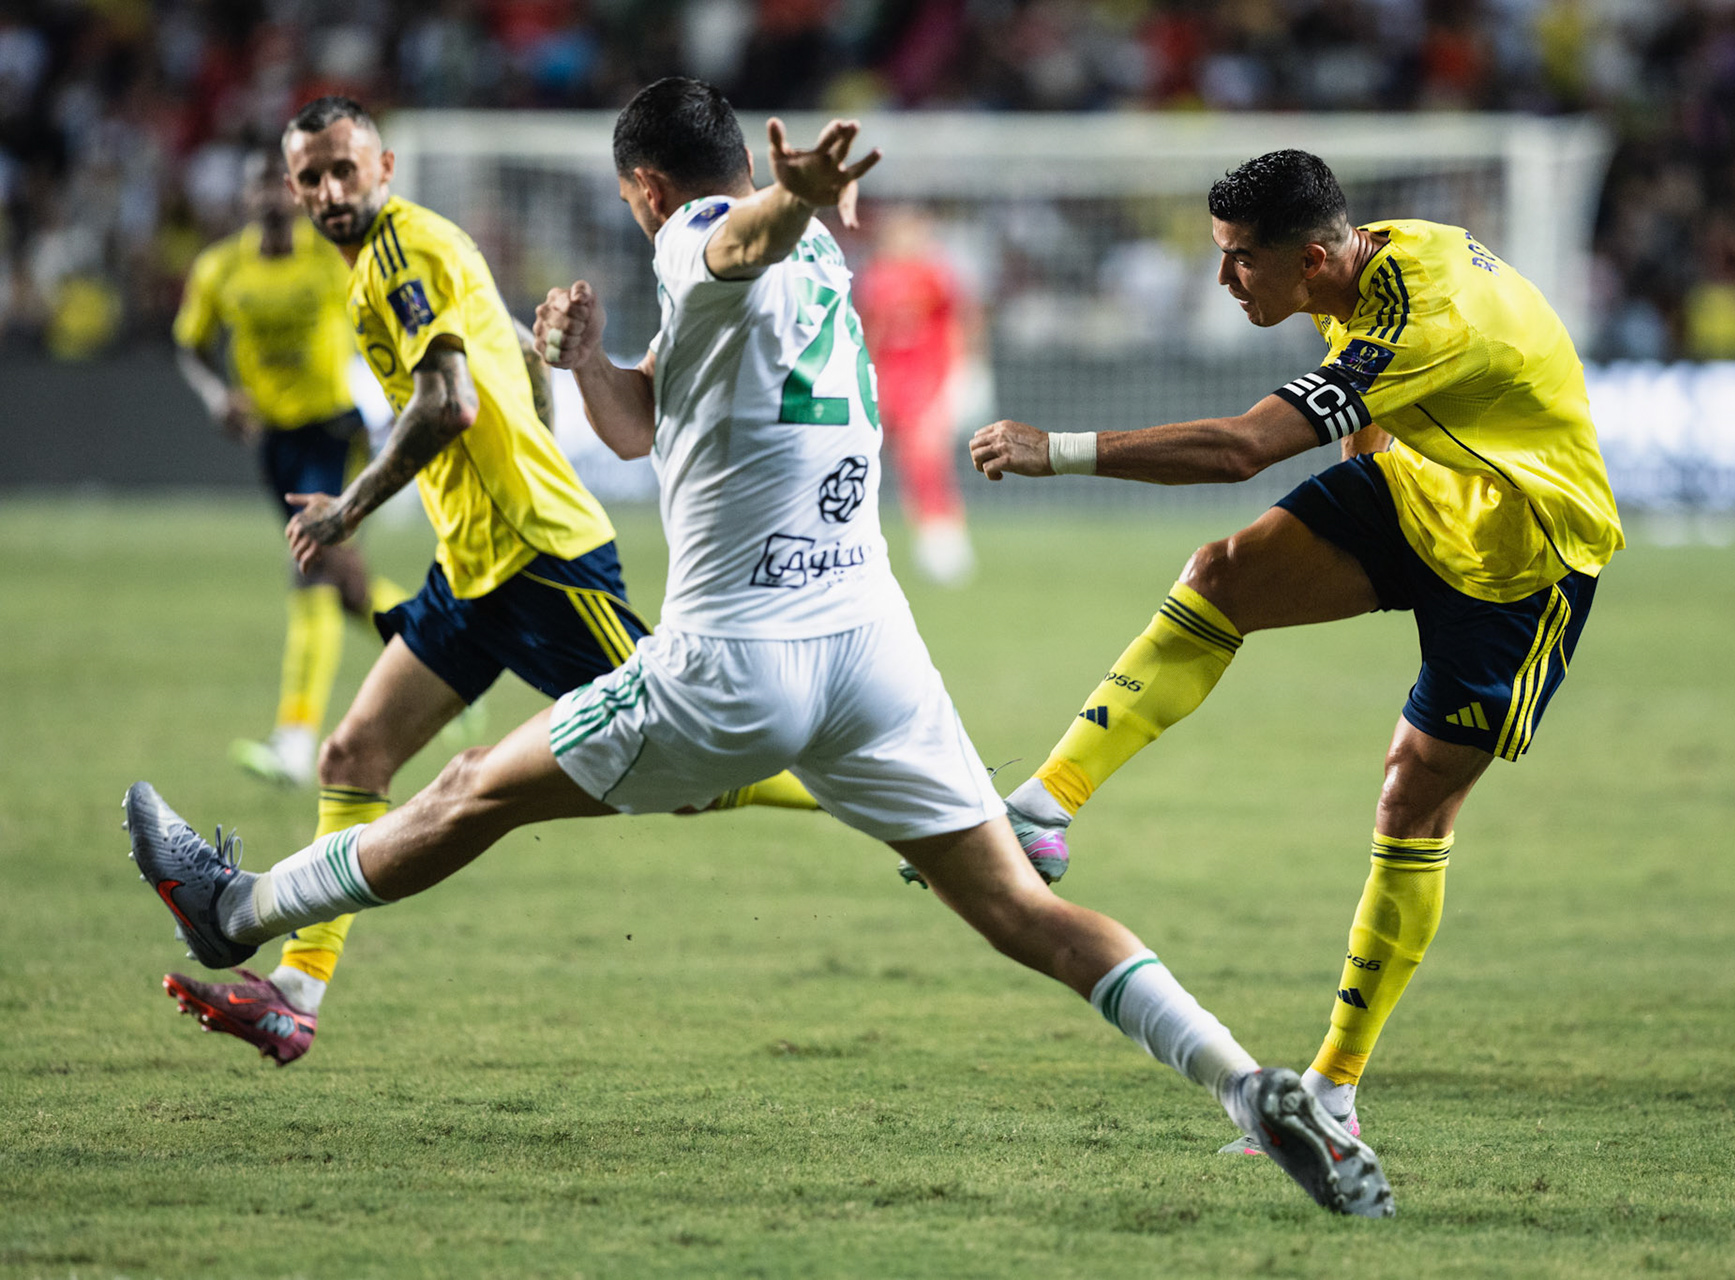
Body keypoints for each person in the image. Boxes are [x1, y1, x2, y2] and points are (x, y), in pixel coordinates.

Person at [125, 81, 1394, 1219]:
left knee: (463, 795)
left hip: (730, 664)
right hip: (874, 657)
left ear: (646, 186)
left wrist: (781, 200)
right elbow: (640, 430)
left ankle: (240, 910)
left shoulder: (704, 233)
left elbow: (727, 240)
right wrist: (583, 362)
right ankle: (1248, 1084)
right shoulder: (820, 275)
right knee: (1026, 910)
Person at [968, 149, 1624, 1146]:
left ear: (1310, 258)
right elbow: (1370, 412)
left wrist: (1055, 449)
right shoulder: (1363, 268)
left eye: (1238, 261)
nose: (1223, 279)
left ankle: (1333, 1087)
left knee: (1415, 795)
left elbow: (1241, 448)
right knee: (1221, 575)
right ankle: (1043, 809)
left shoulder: (1431, 315)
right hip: (1419, 490)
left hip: (1520, 559)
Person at [160, 95, 816, 1068]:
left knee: (693, 764)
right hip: (474, 564)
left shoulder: (397, 256)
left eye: (346, 168)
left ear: (382, 165)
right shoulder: (420, 246)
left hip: (540, 559)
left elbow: (448, 401)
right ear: (294, 190)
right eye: (312, 177)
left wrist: (351, 506)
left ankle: (914, 810)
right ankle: (292, 993)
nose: (331, 190)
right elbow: (509, 346)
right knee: (352, 755)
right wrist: (534, 436)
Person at [173, 150, 411, 788]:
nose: (276, 199)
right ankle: (443, 659)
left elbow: (381, 320)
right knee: (345, 581)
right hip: (275, 440)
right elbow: (190, 344)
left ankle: (296, 742)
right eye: (264, 188)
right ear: (247, 198)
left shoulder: (328, 260)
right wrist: (216, 396)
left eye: (287, 187)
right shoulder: (220, 269)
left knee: (312, 571)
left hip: (334, 429)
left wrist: (394, 400)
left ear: (296, 195)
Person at [854, 205, 979, 585]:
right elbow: (869, 329)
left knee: (926, 458)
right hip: (887, 380)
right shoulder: (874, 277)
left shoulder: (934, 275)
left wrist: (965, 369)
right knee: (872, 460)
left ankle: (944, 541)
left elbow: (960, 320)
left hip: (926, 378)